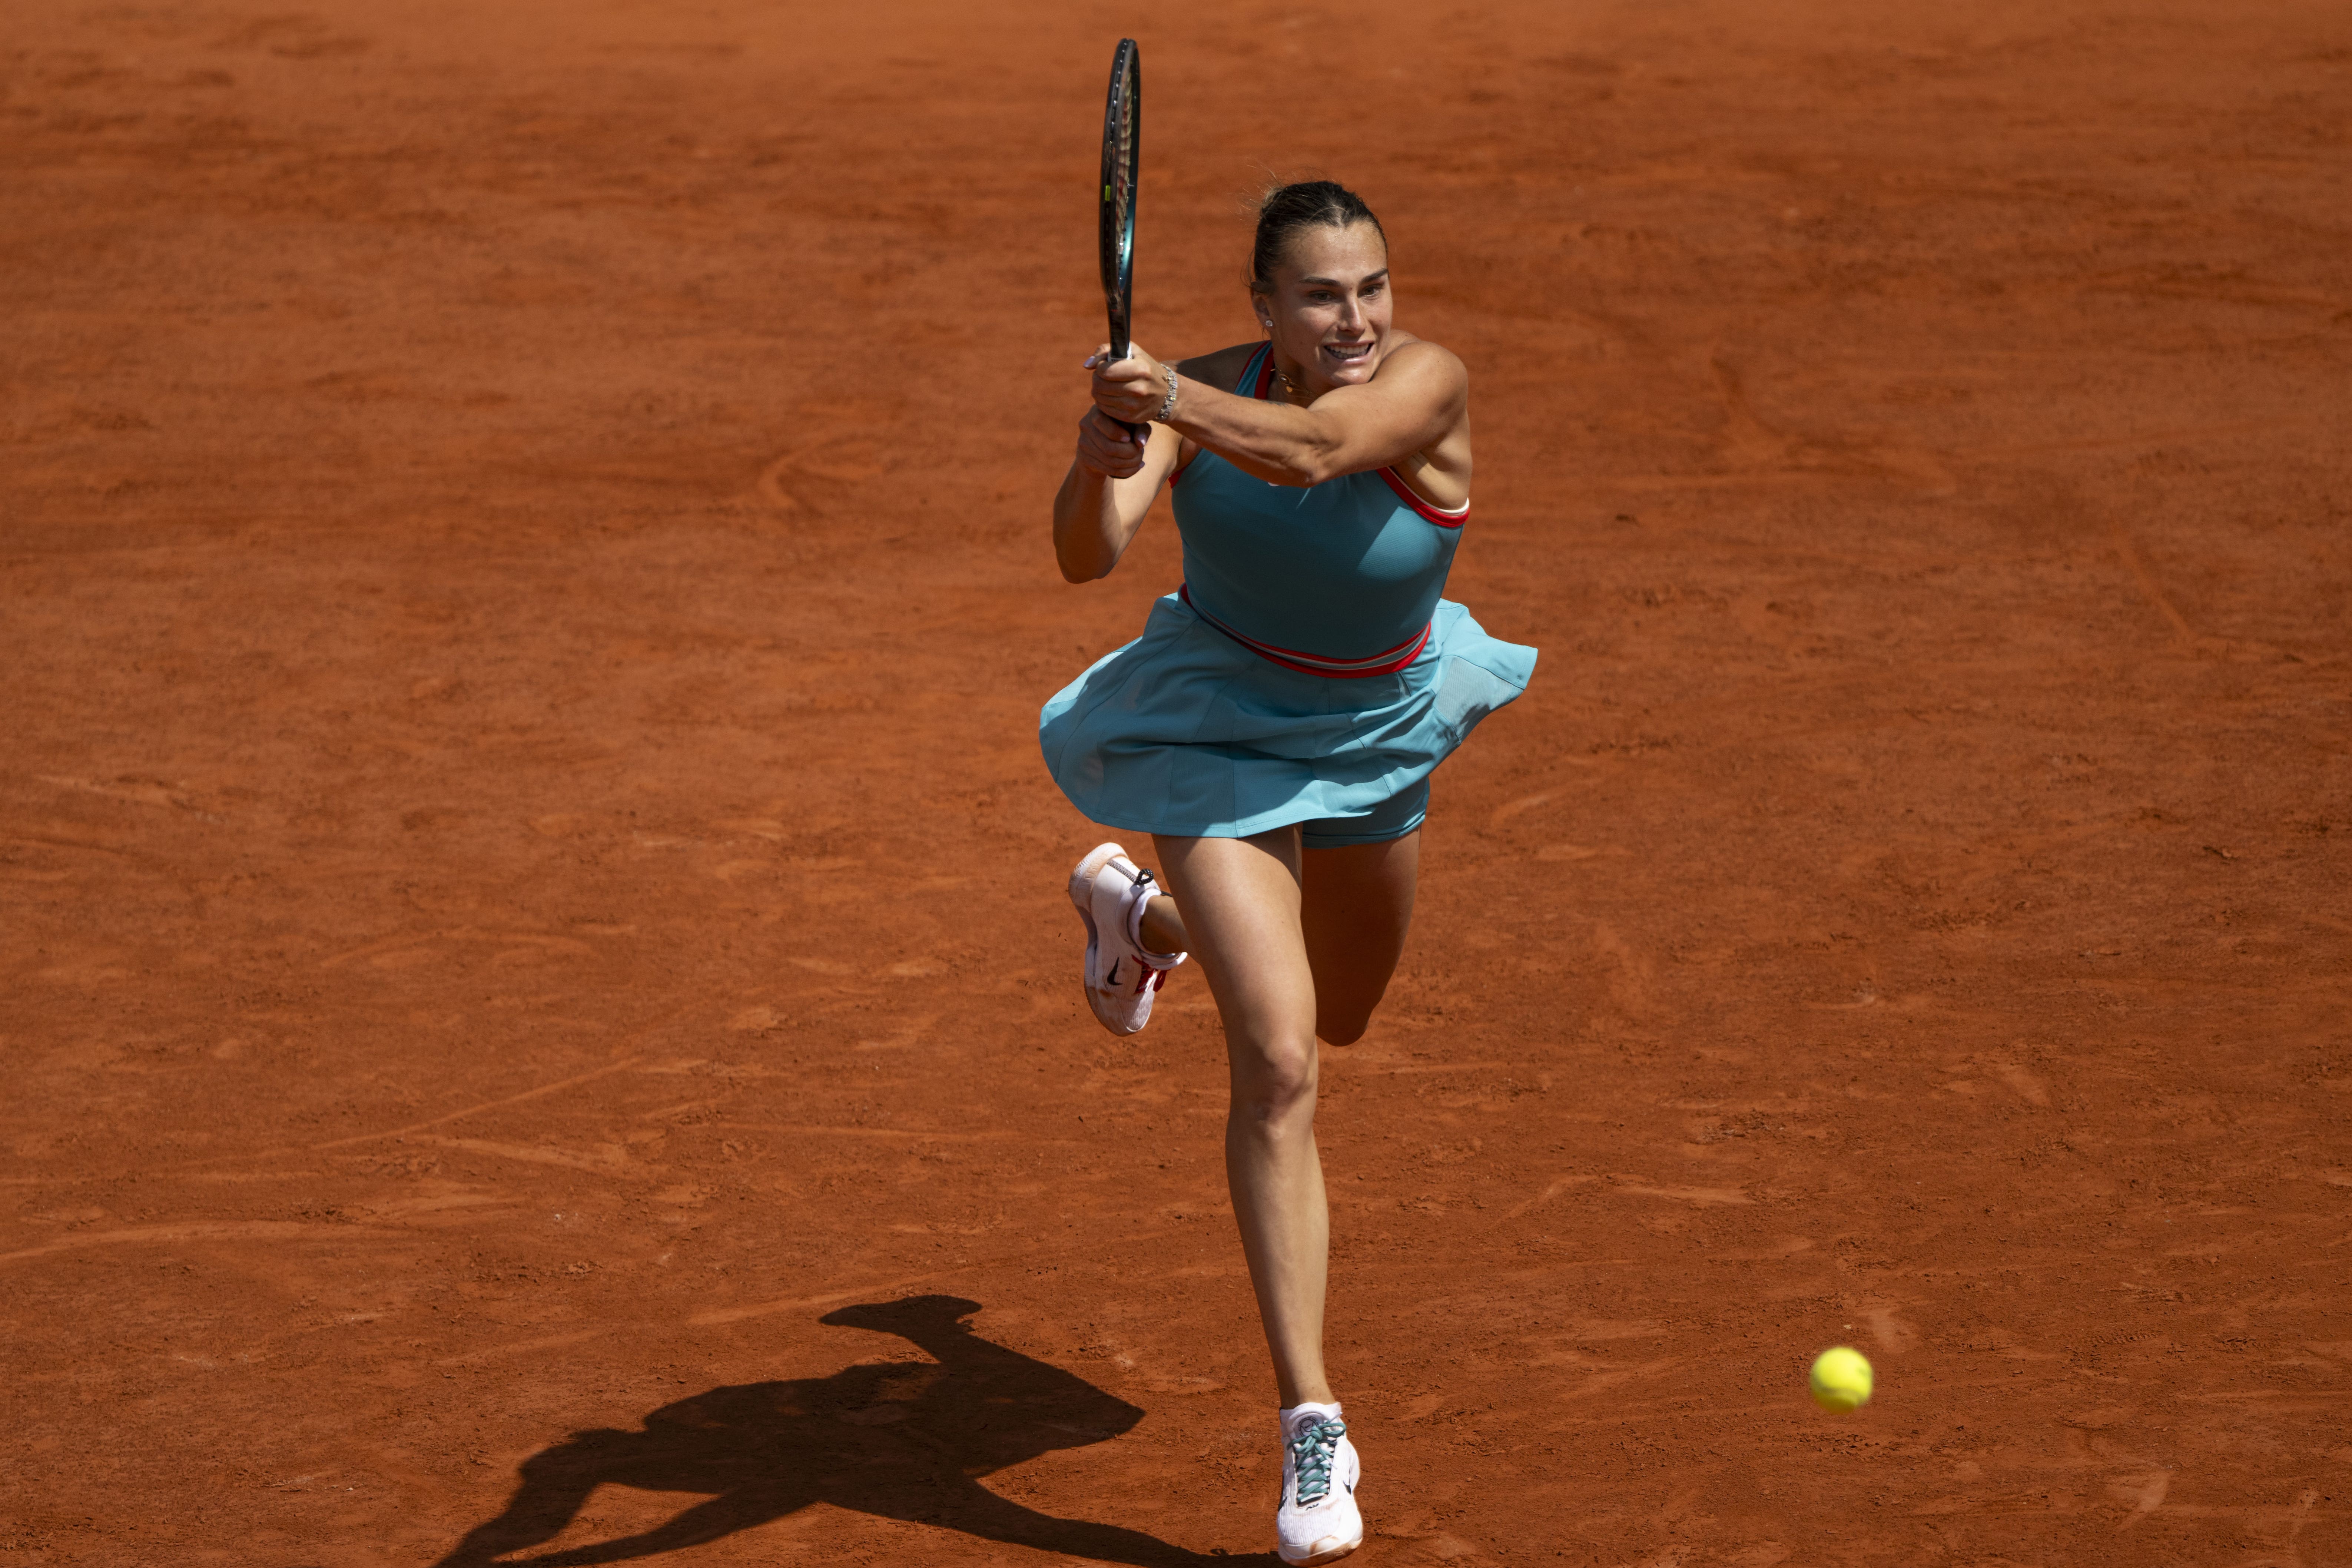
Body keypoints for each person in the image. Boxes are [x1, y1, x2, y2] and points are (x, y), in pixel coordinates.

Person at [1039, 180, 1536, 1567]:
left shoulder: (1421, 386)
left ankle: (1142, 920)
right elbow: (1089, 557)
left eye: (1371, 286)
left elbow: (1319, 456)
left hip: (1376, 726)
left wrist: (1173, 409)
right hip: (1215, 729)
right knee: (1282, 1060)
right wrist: (1103, 450)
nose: (1357, 318)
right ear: (1267, 308)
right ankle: (1312, 1419)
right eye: (1322, 296)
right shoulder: (1196, 392)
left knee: (1348, 1009)